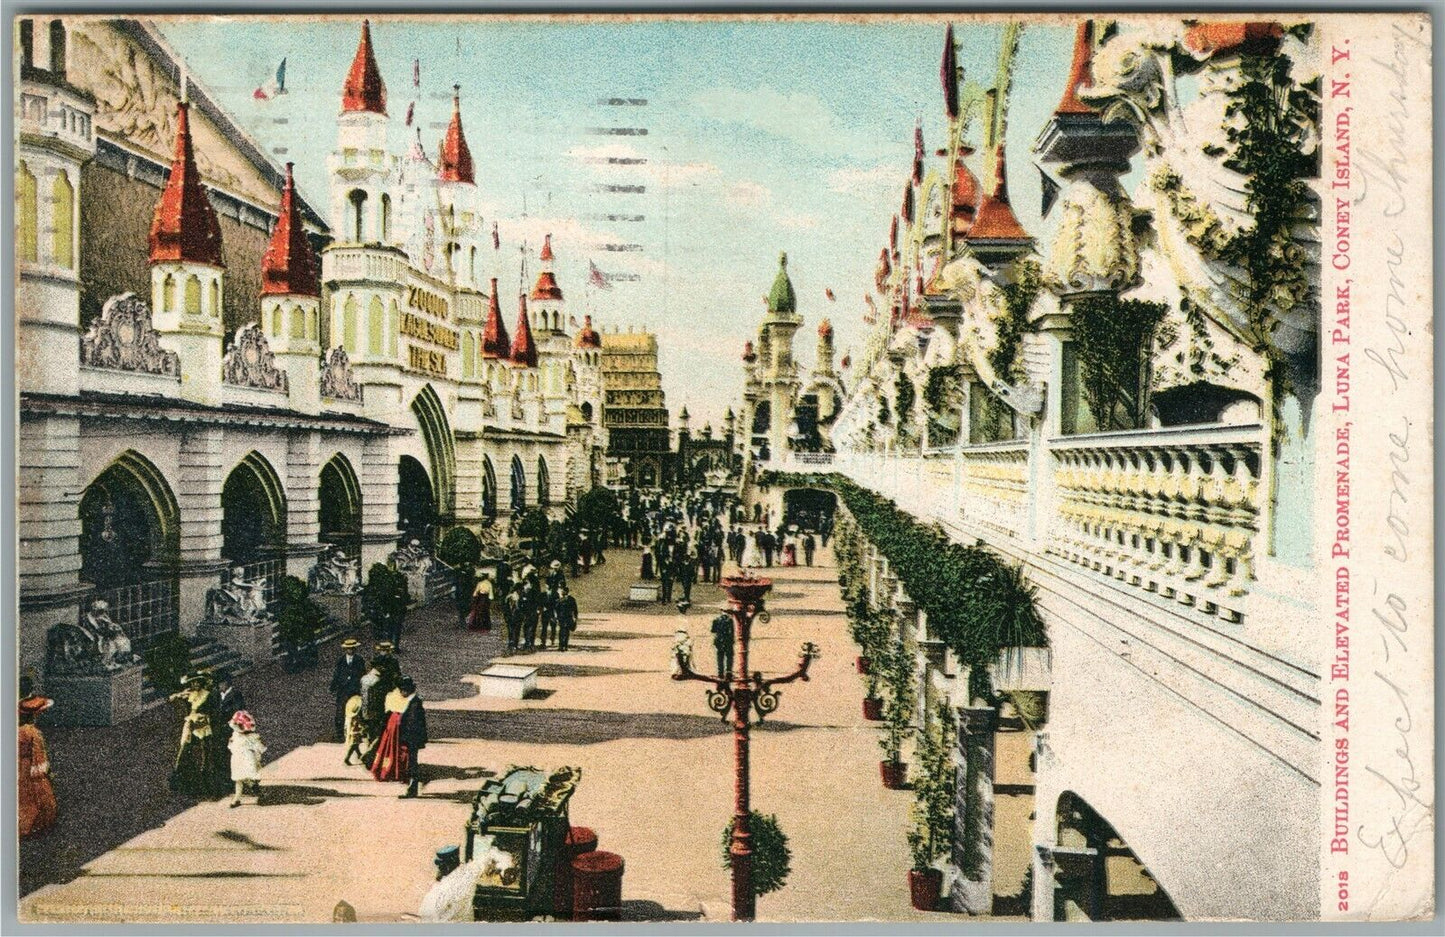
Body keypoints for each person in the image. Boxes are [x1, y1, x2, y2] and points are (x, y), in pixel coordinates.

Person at [168, 672, 222, 796]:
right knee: (184, 751)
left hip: (203, 727)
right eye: (193, 682)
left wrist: (203, 718)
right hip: (190, 727)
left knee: (205, 755)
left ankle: (206, 781)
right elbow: (172, 698)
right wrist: (178, 695)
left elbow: (213, 711)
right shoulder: (189, 695)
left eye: (197, 682)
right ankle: (181, 778)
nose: (195, 684)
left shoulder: (208, 695)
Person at [19, 695, 57, 838]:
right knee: (35, 795)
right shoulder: (32, 732)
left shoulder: (18, 731)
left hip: (19, 766)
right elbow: (38, 755)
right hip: (29, 767)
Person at [227, 711, 266, 807]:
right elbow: (231, 746)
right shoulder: (236, 735)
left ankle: (253, 792)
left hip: (245, 759)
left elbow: (259, 748)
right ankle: (238, 798)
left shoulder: (250, 737)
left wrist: (257, 755)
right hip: (239, 759)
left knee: (244, 777)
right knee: (239, 778)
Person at [330, 638, 366, 742]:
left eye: (352, 648)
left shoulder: (359, 660)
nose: (350, 650)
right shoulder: (341, 660)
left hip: (354, 690)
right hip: (343, 690)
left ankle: (358, 732)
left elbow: (362, 674)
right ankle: (340, 733)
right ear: (346, 650)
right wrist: (334, 686)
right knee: (340, 711)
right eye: (348, 649)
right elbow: (337, 674)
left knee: (356, 710)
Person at [554, 585, 578, 651]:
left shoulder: (560, 600)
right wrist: (575, 618)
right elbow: (575, 610)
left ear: (564, 592)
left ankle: (562, 645)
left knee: (563, 631)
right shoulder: (571, 599)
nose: (560, 592)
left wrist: (575, 618)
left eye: (561, 591)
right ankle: (563, 645)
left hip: (565, 617)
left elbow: (575, 610)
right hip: (564, 617)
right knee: (564, 631)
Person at [710, 612, 734, 678]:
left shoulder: (716, 620)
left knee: (720, 657)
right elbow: (732, 632)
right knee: (729, 657)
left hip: (719, 641)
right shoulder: (730, 620)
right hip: (728, 641)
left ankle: (720, 673)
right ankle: (728, 672)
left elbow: (713, 631)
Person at [453, 564, 477, 629]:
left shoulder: (469, 577)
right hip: (463, 594)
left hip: (466, 593)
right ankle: (462, 622)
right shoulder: (461, 575)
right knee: (463, 607)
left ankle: (463, 621)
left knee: (466, 607)